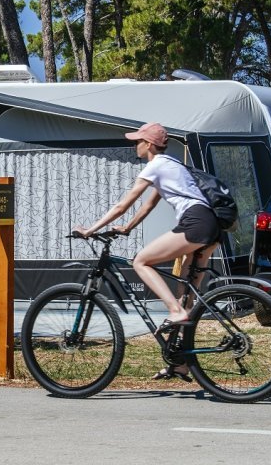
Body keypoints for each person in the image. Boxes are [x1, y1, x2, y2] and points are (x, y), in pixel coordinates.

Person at [74, 122, 221, 381]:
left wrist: (90, 229)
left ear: (150, 144)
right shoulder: (171, 165)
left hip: (196, 223)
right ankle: (181, 362)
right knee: (185, 295)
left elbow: (123, 204)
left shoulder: (156, 166)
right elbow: (147, 206)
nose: (135, 145)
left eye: (137, 141)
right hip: (212, 226)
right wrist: (127, 228)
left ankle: (174, 312)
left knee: (141, 261)